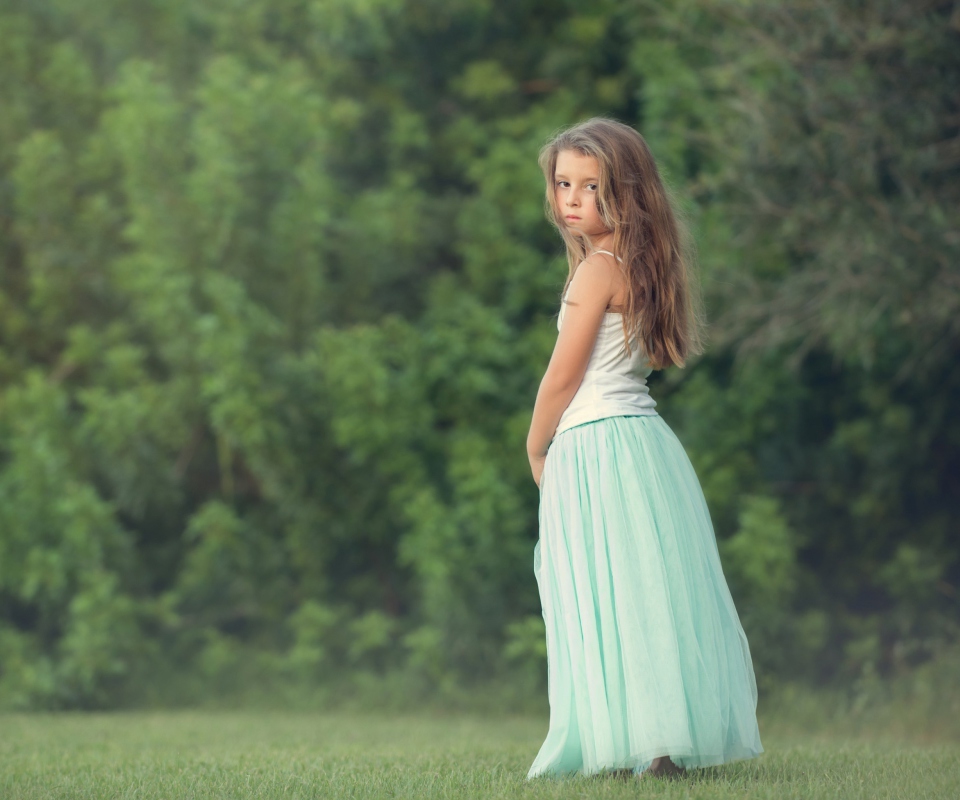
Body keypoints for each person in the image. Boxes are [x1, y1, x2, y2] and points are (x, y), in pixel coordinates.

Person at [525, 118, 764, 780]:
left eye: (589, 187)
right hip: (645, 446)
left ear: (624, 193)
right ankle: (654, 743)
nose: (570, 199)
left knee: (601, 589)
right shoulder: (643, 265)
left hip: (594, 443)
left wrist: (535, 444)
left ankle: (631, 742)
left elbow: (562, 377)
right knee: (644, 590)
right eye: (562, 183)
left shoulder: (597, 271)